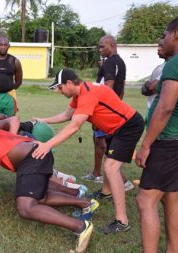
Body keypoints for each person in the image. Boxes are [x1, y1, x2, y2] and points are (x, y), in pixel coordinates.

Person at [0, 125, 97, 253]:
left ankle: (80, 226)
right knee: (40, 197)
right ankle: (85, 203)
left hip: (32, 157)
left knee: (25, 207)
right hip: (37, 150)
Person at [33, 68, 144, 234]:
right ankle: (106, 193)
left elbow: (74, 127)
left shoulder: (88, 94)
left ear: (70, 83)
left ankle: (122, 221)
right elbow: (67, 115)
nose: (59, 91)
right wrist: (43, 120)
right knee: (110, 162)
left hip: (128, 126)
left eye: (60, 87)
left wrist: (47, 145)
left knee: (111, 168)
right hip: (115, 128)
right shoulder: (80, 94)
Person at [135, 16, 178, 253]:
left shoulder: (177, 63)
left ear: (177, 34)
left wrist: (146, 144)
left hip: (168, 141)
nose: (163, 40)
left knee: (145, 200)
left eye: (165, 34)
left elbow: (165, 108)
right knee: (170, 195)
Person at [82, 35, 128, 188]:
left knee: (105, 144)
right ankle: (96, 173)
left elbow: (108, 88)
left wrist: (100, 108)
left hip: (105, 109)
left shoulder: (111, 62)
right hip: (112, 107)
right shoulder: (119, 62)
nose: (99, 49)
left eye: (103, 47)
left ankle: (124, 181)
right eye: (99, 46)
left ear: (112, 45)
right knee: (98, 141)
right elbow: (121, 87)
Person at [141, 39, 169, 110]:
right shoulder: (159, 67)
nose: (158, 49)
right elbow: (145, 87)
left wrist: (150, 87)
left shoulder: (169, 66)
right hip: (151, 108)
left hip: (158, 110)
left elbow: (152, 87)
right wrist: (150, 87)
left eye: (161, 46)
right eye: (158, 46)